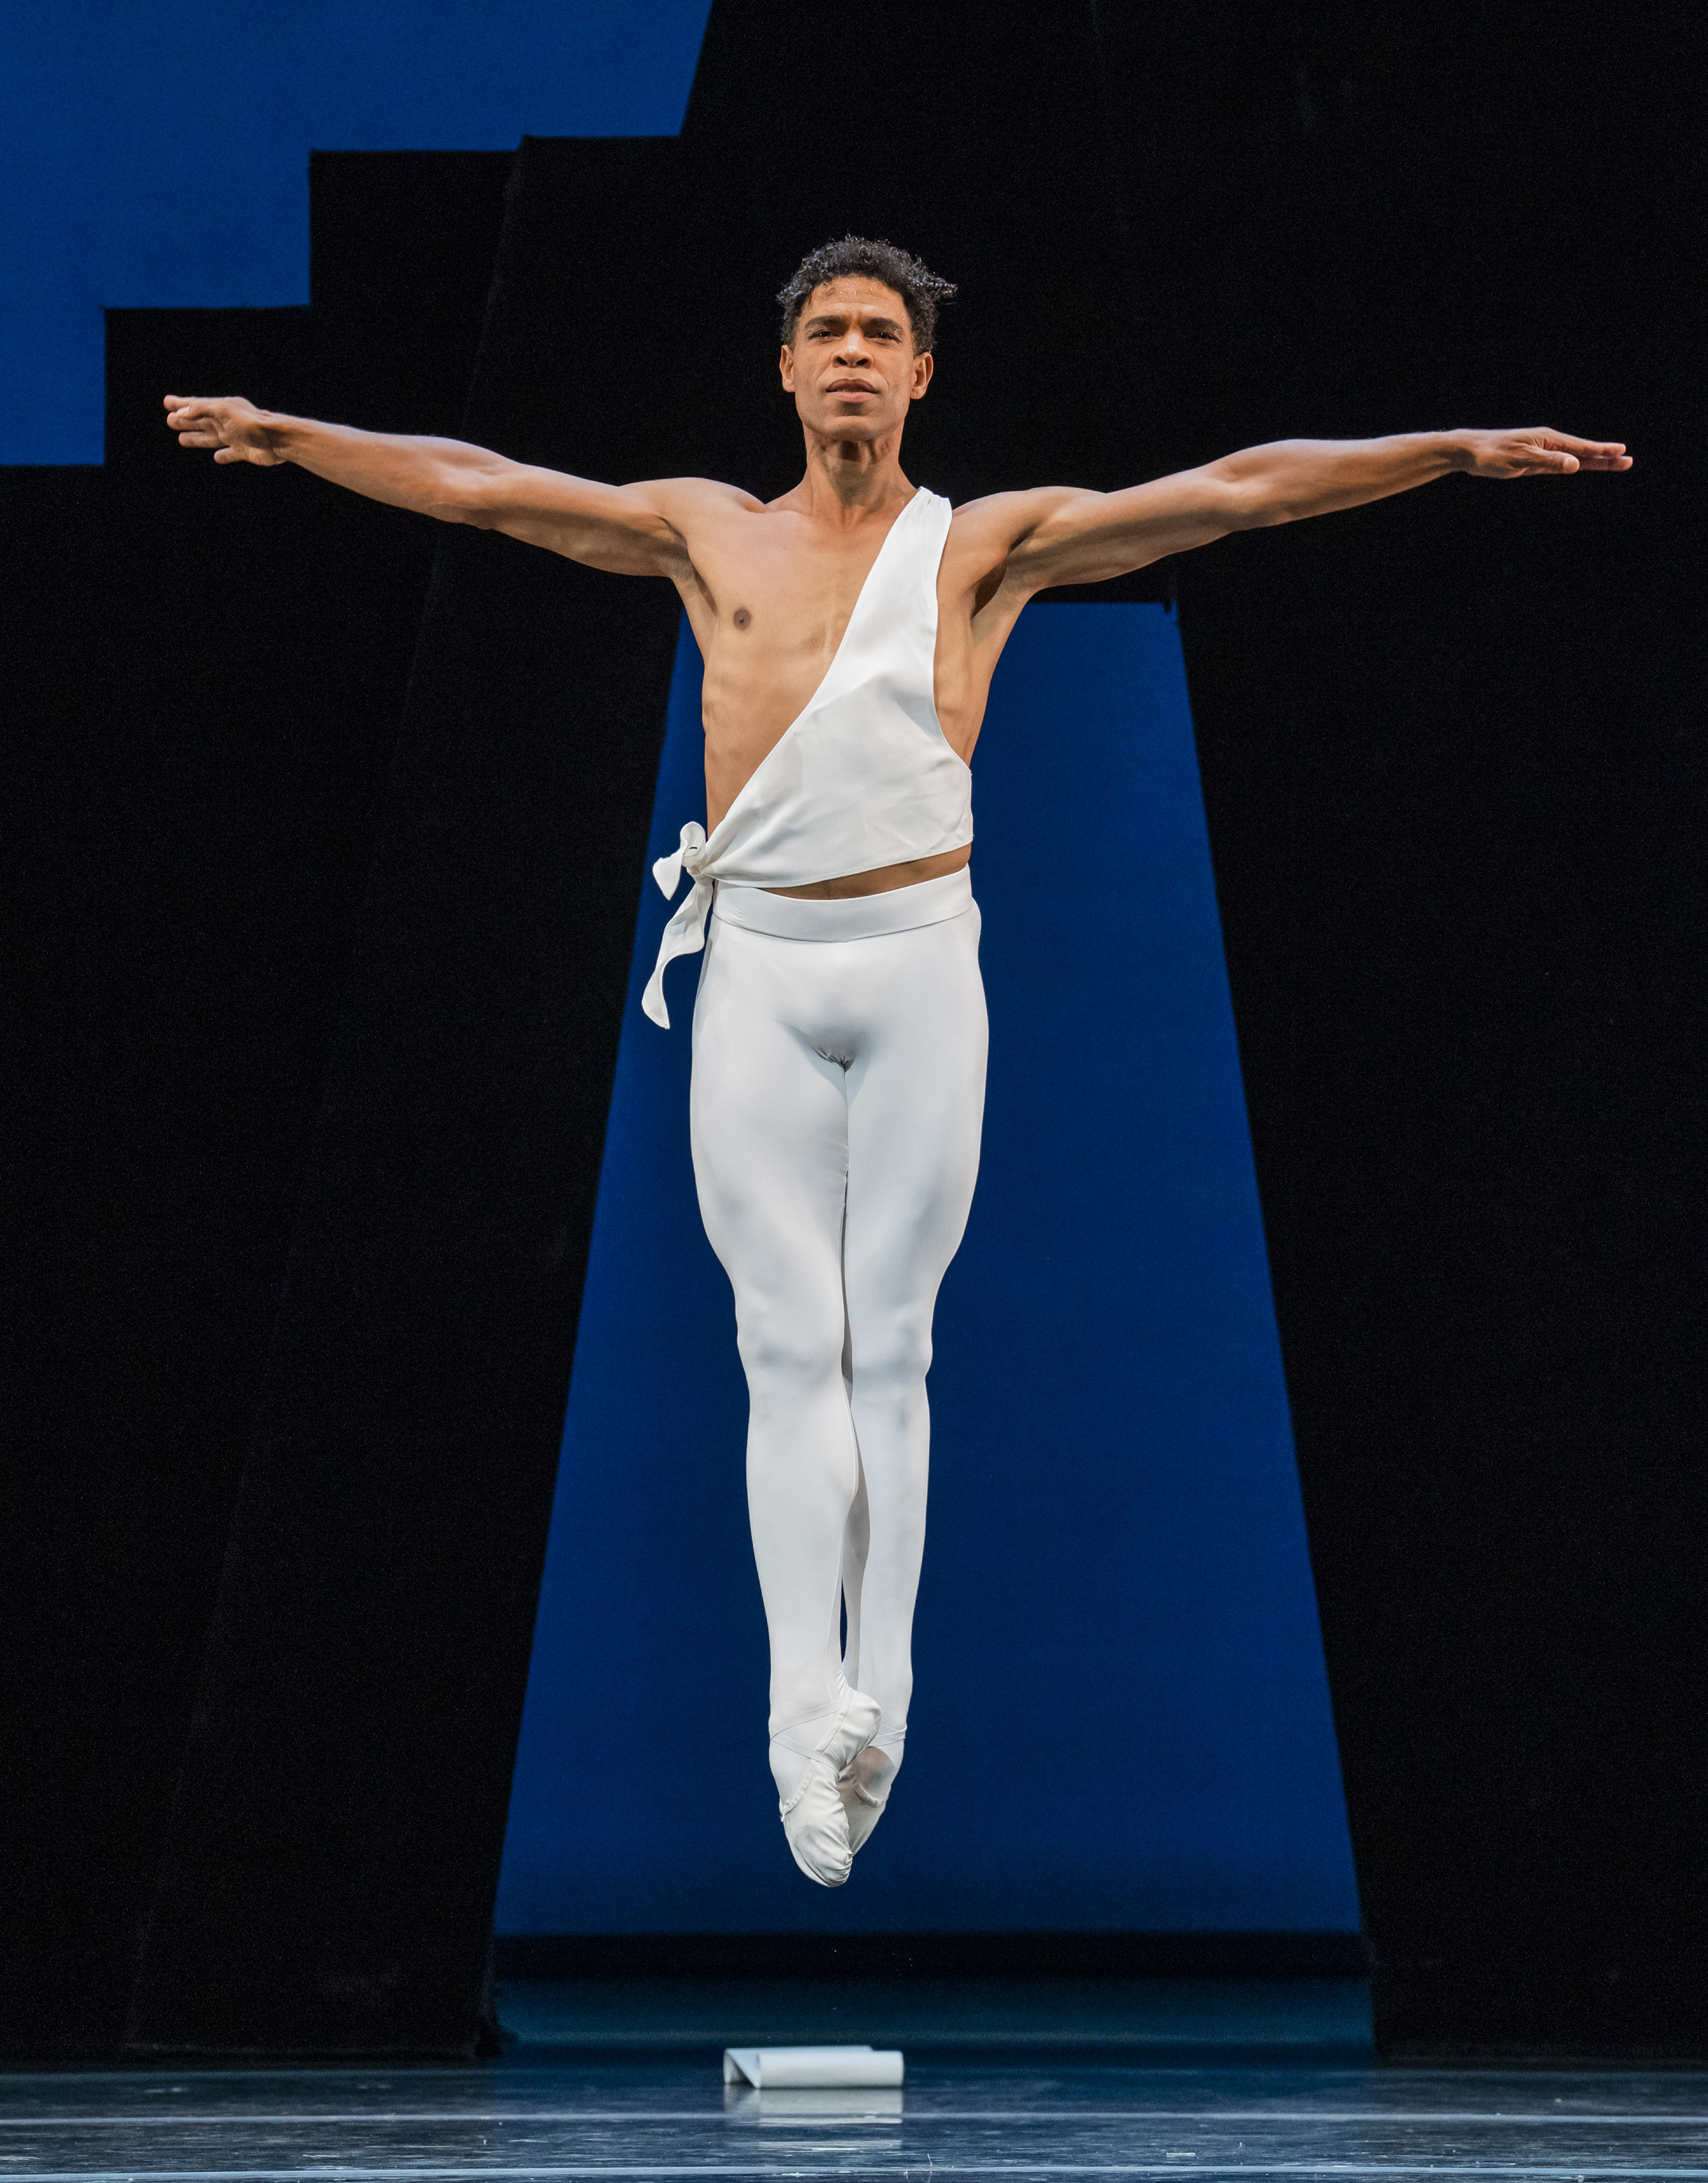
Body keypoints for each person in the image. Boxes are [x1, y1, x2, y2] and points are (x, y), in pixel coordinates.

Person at [165, 234, 1629, 1890]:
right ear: (785, 372)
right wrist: (296, 438)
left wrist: (1447, 451)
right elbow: (480, 486)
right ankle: (806, 1721)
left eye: (880, 334)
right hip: (764, 972)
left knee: (894, 1350)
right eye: (826, 332)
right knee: (786, 1346)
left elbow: (1237, 491)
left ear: (920, 374)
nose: (852, 353)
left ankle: (890, 1704)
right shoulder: (700, 529)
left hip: (919, 961)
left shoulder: (982, 548)